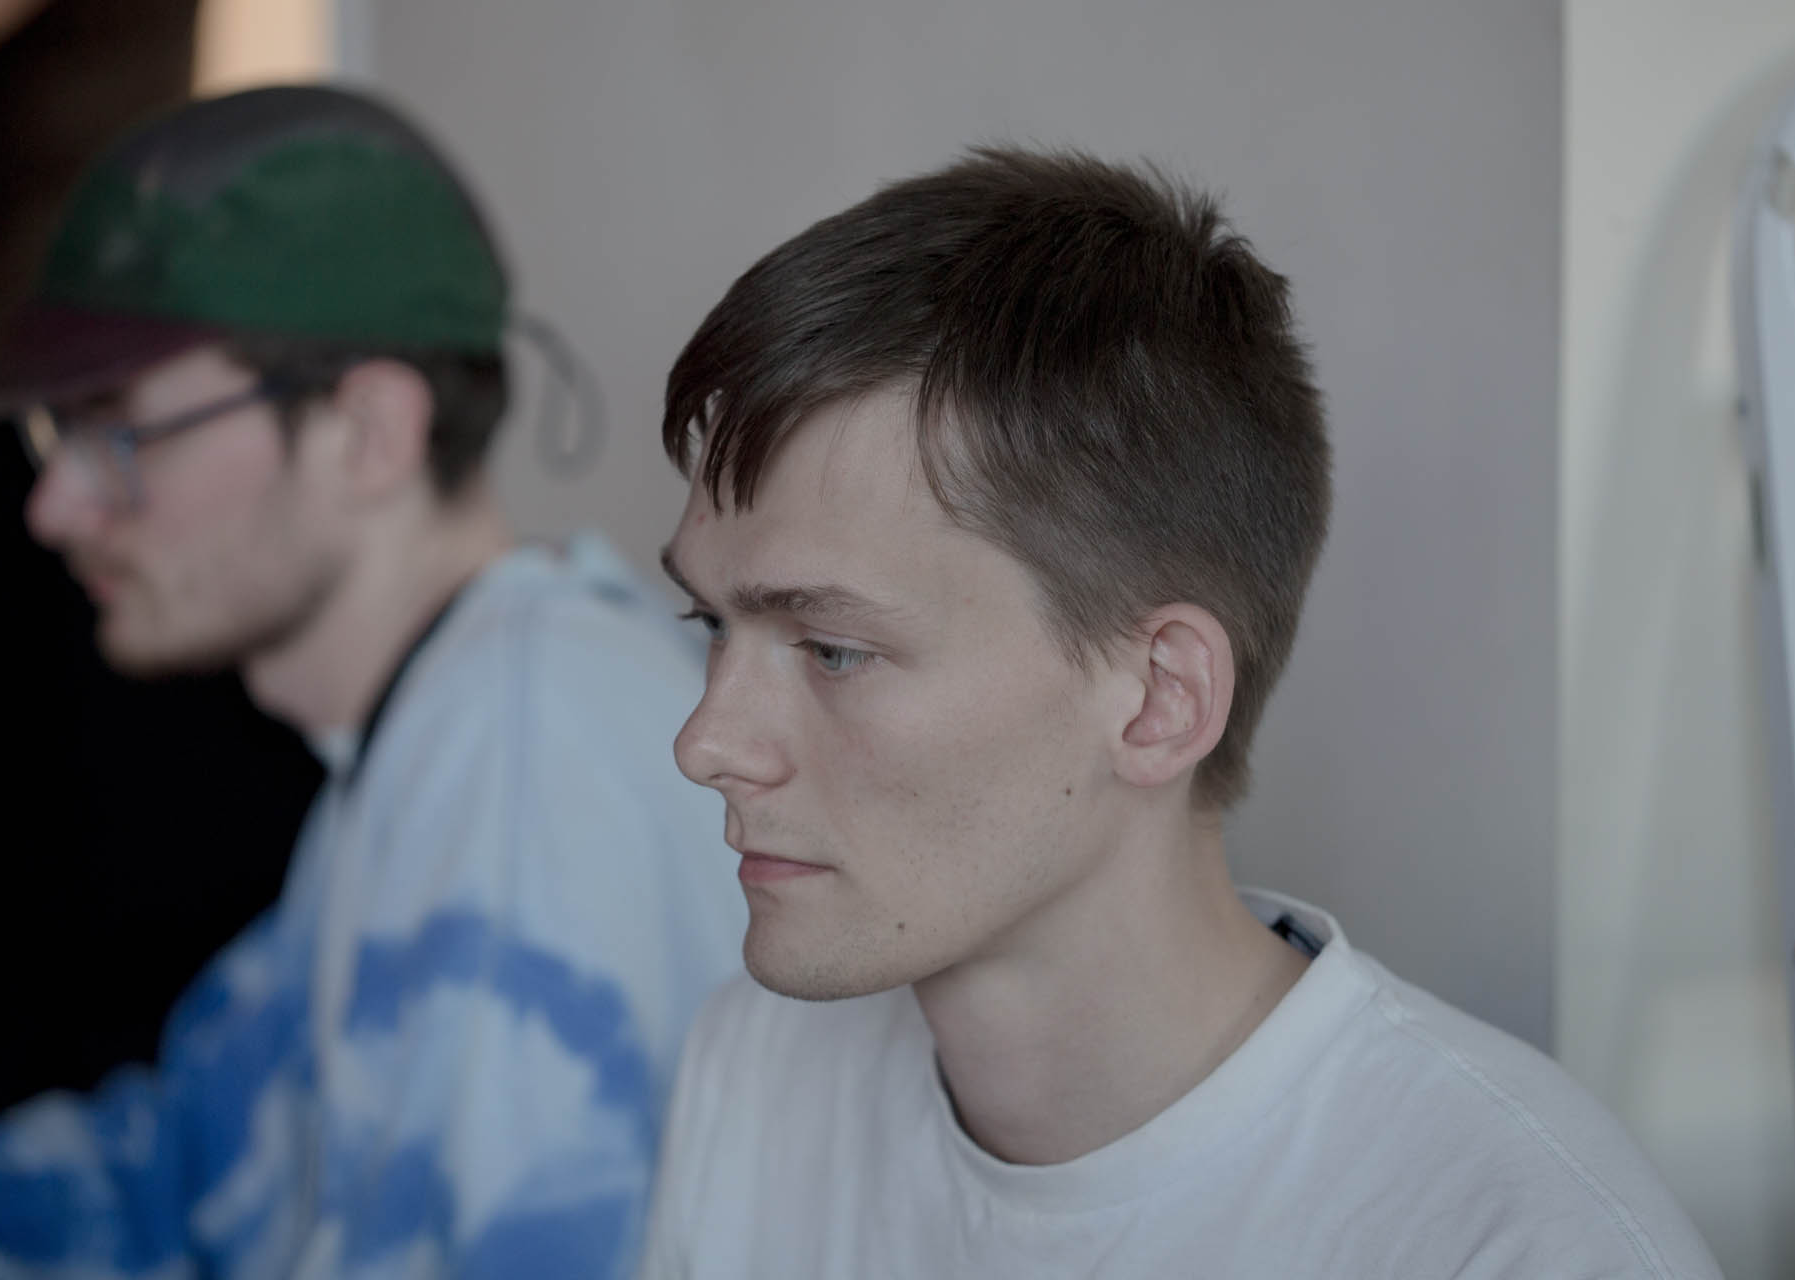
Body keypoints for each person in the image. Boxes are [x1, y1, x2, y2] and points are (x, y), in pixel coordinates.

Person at [641, 148, 1721, 1278]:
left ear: (1160, 698)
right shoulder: (760, 1069)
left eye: (835, 649)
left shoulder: (1512, 1241)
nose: (705, 742)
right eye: (709, 622)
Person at [0, 84, 743, 1279]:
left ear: (369, 432)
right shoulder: (423, 741)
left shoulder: (515, 765)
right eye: (53, 437)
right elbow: (184, 1172)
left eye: (117, 430)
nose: (54, 506)